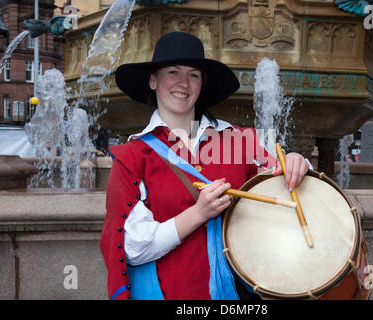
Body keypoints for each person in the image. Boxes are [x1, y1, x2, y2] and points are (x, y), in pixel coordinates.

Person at [100, 32, 310, 300]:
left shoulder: (238, 140)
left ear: (201, 85)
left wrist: (295, 162)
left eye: (193, 75)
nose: (183, 83)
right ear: (153, 80)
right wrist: (198, 214)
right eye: (173, 72)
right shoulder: (133, 156)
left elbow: (280, 184)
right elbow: (133, 248)